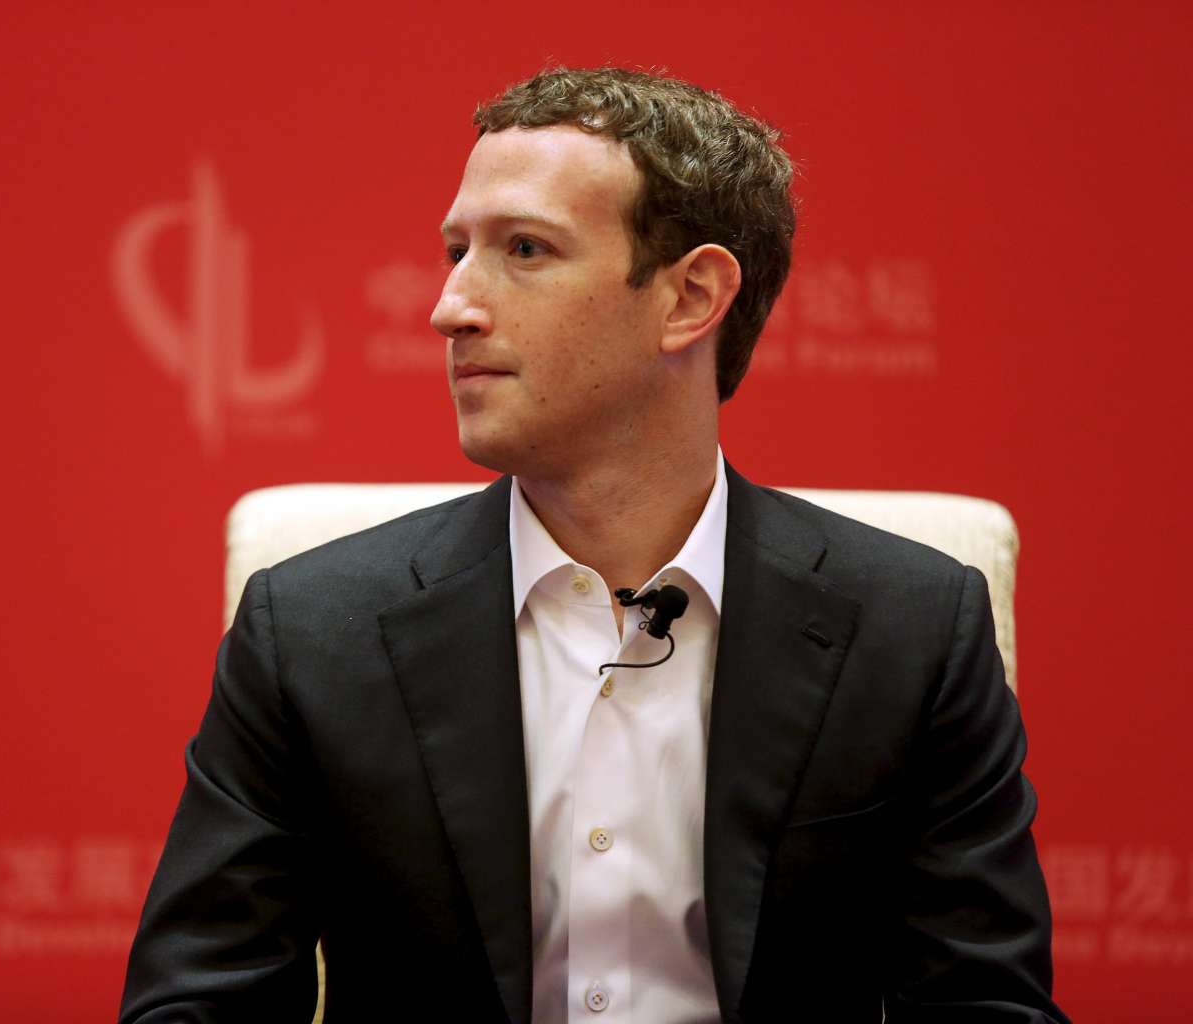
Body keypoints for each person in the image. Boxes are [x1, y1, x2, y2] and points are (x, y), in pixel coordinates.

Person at [120, 67, 1066, 1023]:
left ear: (690, 297)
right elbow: (197, 1004)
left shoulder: (911, 631)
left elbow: (986, 1006)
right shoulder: (312, 631)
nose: (450, 307)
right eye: (457, 251)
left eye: (525, 249)